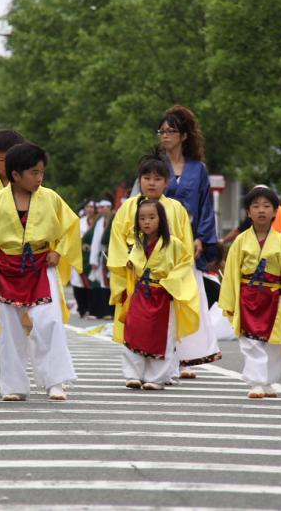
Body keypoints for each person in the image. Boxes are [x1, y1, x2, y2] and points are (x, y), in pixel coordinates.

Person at [0, 142, 82, 401]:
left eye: (41, 172)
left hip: (41, 265)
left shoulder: (51, 198)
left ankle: (56, 382)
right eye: (34, 173)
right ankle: (14, 386)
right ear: (15, 174)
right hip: (7, 268)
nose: (39, 178)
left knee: (49, 322)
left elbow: (71, 225)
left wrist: (59, 251)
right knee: (10, 329)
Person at [220, 187, 281, 398]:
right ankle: (256, 382)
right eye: (255, 206)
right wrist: (229, 299)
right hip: (248, 297)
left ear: (275, 212)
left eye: (266, 206)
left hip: (274, 299)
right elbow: (231, 272)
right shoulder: (240, 241)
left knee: (274, 343)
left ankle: (268, 381)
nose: (261, 210)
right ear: (248, 213)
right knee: (251, 341)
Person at [109, 154, 197, 358]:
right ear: (139, 181)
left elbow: (184, 250)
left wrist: (174, 279)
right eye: (147, 178)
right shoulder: (128, 207)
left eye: (157, 179)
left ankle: (167, 371)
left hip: (166, 281)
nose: (151, 183)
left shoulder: (176, 209)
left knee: (166, 327)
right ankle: (134, 372)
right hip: (135, 278)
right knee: (134, 324)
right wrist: (126, 268)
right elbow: (117, 242)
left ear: (166, 183)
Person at [155, 105, 221, 378]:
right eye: (162, 131)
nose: (165, 136)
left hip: (188, 240)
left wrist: (201, 239)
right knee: (160, 296)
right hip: (158, 239)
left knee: (186, 299)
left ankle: (184, 357)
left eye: (171, 131)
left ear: (184, 135)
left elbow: (206, 206)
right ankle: (160, 353)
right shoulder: (156, 165)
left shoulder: (198, 169)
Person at [111, 198, 198, 390]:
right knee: (133, 332)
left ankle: (156, 378)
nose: (146, 222)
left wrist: (170, 283)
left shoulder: (174, 244)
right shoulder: (137, 244)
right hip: (140, 293)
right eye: (142, 218)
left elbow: (185, 264)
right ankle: (133, 374)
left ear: (161, 220)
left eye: (151, 217)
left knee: (163, 337)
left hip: (163, 294)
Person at [88, 197, 115, 319]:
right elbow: (95, 242)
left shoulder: (116, 220)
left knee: (112, 284)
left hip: (114, 255)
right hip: (102, 257)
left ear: (110, 208)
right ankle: (102, 311)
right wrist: (93, 260)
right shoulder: (99, 222)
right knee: (101, 284)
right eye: (101, 207)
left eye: (105, 207)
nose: (102, 210)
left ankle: (111, 312)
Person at [72, 200, 97, 318]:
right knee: (78, 282)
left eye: (92, 207)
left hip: (95, 256)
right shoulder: (79, 222)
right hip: (80, 255)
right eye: (88, 206)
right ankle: (81, 308)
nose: (90, 209)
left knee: (92, 282)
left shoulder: (100, 223)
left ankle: (91, 308)